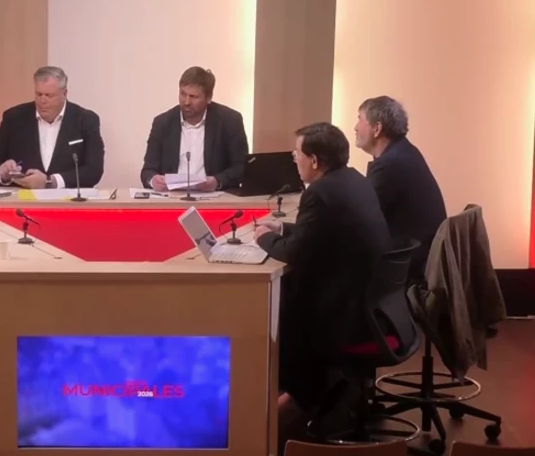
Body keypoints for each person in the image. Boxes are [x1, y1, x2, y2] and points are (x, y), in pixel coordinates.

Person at [252, 122, 391, 430]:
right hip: (373, 305)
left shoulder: (320, 192)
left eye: (296, 154)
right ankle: (308, 397)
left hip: (346, 314)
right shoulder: (352, 179)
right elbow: (321, 232)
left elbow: (296, 252)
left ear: (314, 160)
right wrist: (283, 228)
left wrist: (263, 237)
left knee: (285, 308)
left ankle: (293, 402)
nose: (294, 159)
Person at [355, 95, 447, 282]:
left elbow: (360, 220)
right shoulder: (405, 151)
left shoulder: (389, 164)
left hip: (406, 265)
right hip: (420, 255)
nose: (355, 127)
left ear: (377, 128)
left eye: (359, 119)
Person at [0, 66, 105, 189]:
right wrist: (3, 173)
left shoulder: (86, 120)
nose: (43, 101)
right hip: (23, 198)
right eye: (39, 94)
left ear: (64, 94)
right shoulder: (14, 118)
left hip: (68, 199)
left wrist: (50, 181)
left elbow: (94, 170)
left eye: (49, 95)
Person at [139, 66, 248, 191]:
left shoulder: (230, 121)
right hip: (172, 197)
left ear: (208, 98)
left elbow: (241, 167)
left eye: (193, 96)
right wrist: (153, 180)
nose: (186, 102)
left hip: (214, 197)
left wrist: (218, 181)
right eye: (183, 94)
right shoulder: (162, 123)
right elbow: (147, 171)